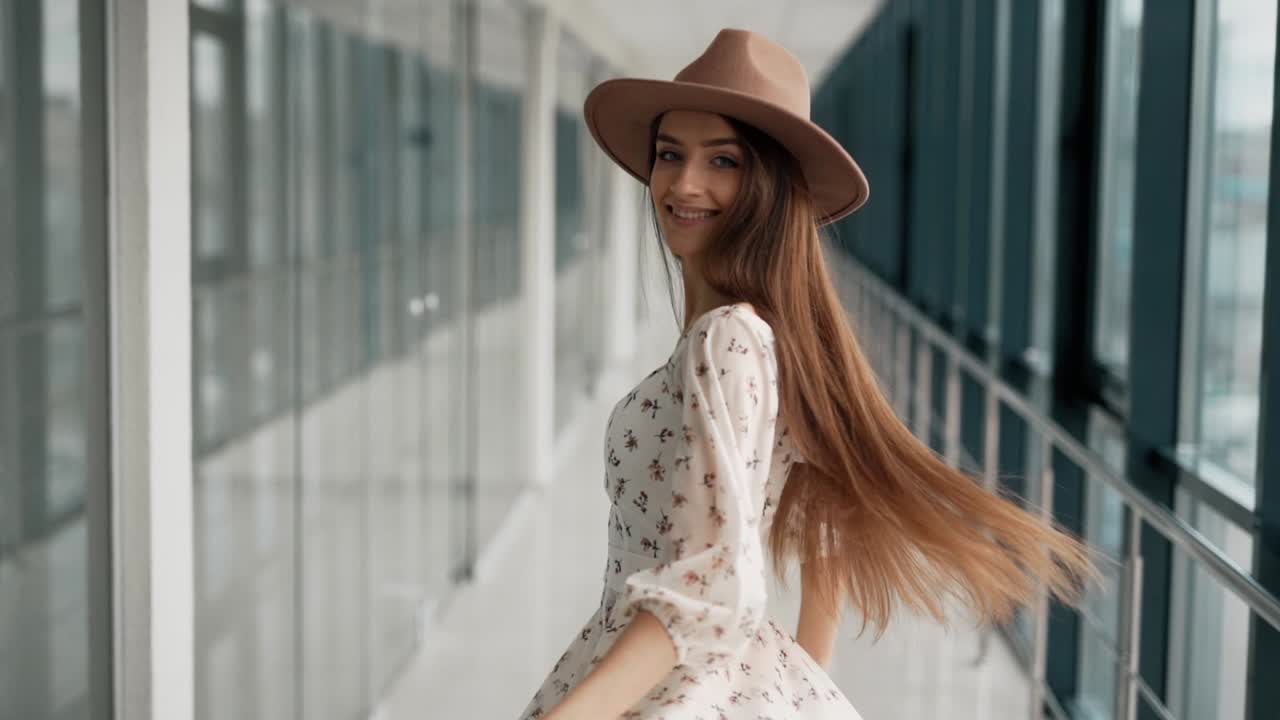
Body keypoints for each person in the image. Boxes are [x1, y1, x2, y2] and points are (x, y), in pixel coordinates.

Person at [518, 28, 1095, 720]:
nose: (685, 183)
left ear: (768, 187)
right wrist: (799, 685)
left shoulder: (729, 338)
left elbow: (709, 587)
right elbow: (830, 514)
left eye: (723, 161)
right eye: (670, 154)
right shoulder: (761, 337)